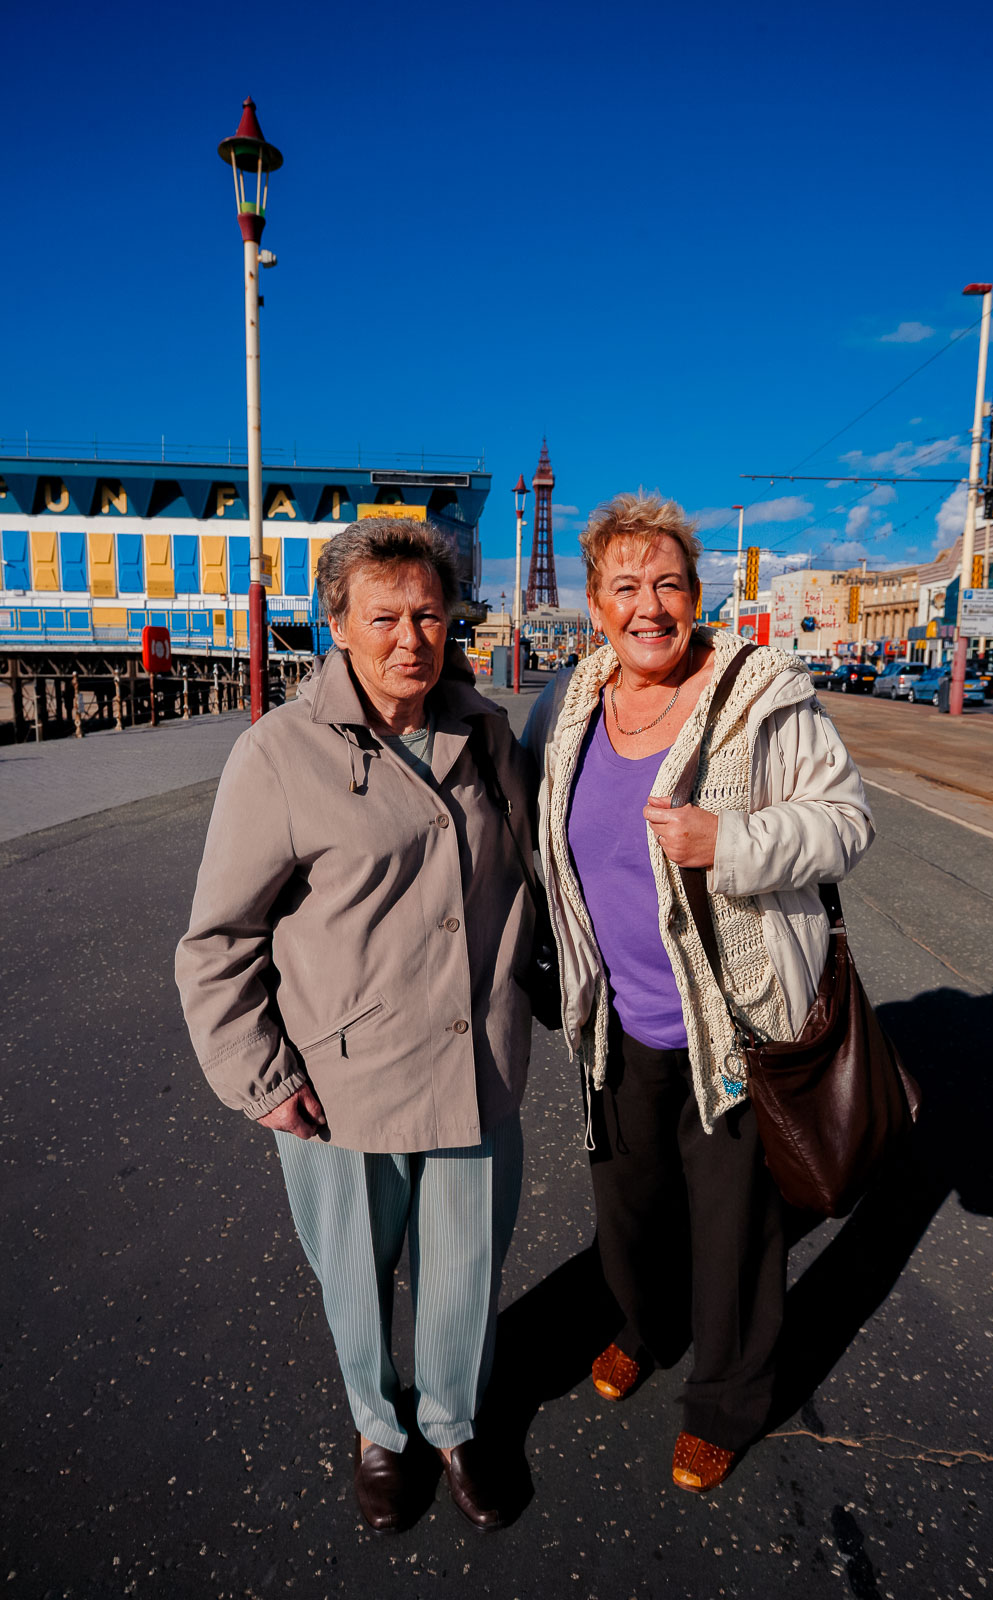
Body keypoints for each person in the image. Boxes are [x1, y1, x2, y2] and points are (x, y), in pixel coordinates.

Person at [176, 519, 535, 1533]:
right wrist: (259, 1076)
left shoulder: (487, 733)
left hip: (475, 1067)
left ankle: (456, 1426)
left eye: (428, 612)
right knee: (353, 1272)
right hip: (341, 1082)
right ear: (337, 624)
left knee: (465, 1271)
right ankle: (380, 1427)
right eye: (381, 616)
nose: (408, 637)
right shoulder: (278, 755)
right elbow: (217, 941)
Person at [523, 492, 874, 1492]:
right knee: (625, 1204)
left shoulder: (759, 691)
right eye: (624, 586)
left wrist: (735, 842)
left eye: (667, 583)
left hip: (733, 1018)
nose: (648, 606)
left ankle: (725, 1396)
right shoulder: (572, 702)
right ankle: (643, 1322)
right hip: (618, 1014)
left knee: (733, 1229)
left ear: (695, 593)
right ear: (593, 604)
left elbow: (843, 819)